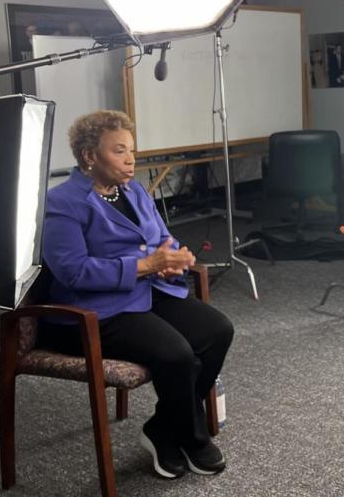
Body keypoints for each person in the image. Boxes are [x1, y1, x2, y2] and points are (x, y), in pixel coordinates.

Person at [39, 110, 234, 480]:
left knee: (217, 331)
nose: (131, 160)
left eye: (132, 150)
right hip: (95, 309)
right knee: (177, 356)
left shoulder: (135, 191)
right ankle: (191, 437)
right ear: (89, 156)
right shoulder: (63, 202)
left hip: (147, 291)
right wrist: (145, 266)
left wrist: (175, 257)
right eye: (119, 151)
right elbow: (72, 270)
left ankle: (162, 429)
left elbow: (162, 238)